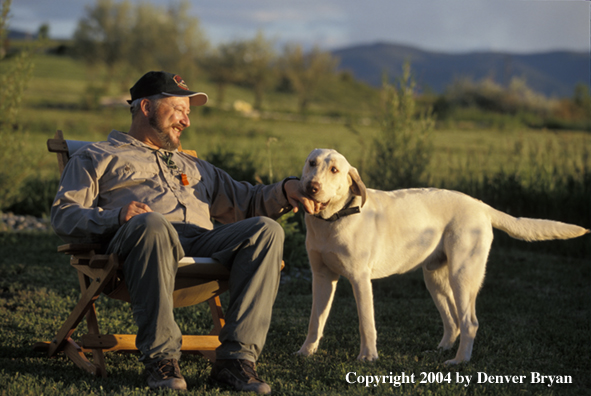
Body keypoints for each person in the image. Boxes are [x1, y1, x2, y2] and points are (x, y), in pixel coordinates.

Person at [51, 71, 317, 394]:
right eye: (178, 110)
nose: (185, 122)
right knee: (154, 224)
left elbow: (247, 202)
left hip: (200, 244)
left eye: (188, 113)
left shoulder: (194, 167)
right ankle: (161, 359)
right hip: (136, 249)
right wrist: (117, 216)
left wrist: (286, 189)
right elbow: (64, 215)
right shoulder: (97, 156)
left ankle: (235, 362)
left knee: (266, 231)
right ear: (146, 107)